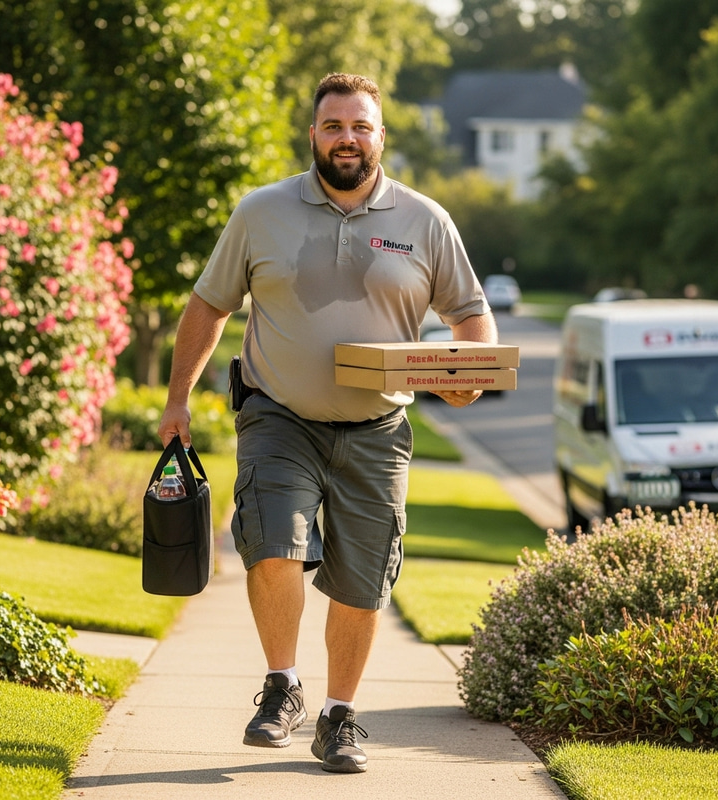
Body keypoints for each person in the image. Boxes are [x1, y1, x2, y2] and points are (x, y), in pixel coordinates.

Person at [158, 72, 498, 774]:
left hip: (378, 431)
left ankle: (339, 718)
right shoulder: (261, 212)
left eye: (361, 126)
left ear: (381, 135)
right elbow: (208, 306)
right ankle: (282, 685)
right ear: (312, 134)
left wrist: (467, 374)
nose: (348, 137)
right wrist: (176, 400)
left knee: (364, 580)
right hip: (279, 416)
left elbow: (471, 317)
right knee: (273, 543)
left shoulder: (424, 220)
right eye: (334, 125)